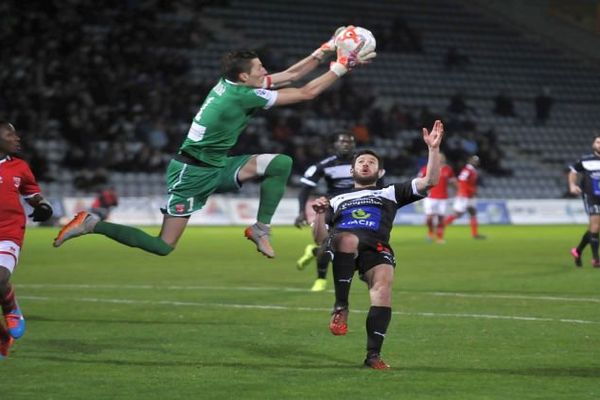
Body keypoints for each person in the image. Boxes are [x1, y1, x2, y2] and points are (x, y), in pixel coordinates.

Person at [53, 27, 377, 258]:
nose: (265, 71)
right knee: (163, 246)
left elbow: (291, 75)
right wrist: (342, 65)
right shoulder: (239, 97)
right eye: (260, 69)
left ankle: (260, 228)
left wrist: (325, 48)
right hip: (190, 173)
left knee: (280, 163)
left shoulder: (234, 83)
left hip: (217, 164)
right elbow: (306, 92)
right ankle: (92, 223)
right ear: (244, 78)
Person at [311, 120, 444, 369]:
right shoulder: (336, 199)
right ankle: (341, 306)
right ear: (351, 171)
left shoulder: (390, 192)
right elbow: (319, 238)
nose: (365, 164)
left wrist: (433, 150)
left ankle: (373, 355)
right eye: (360, 162)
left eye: (371, 162)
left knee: (383, 289)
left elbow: (430, 182)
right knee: (349, 239)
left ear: (380, 172)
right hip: (343, 245)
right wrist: (319, 214)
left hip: (376, 246)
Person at [0, 122, 54, 359]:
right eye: (10, 133)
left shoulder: (19, 167)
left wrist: (42, 205)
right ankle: (2, 339)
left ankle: (11, 308)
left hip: (8, 233)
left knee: (0, 276)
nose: (17, 137)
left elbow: (31, 192)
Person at [294, 132, 356, 292]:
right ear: (335, 144)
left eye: (349, 142)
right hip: (332, 206)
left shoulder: (362, 162)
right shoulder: (325, 165)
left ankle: (313, 251)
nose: (346, 144)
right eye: (342, 141)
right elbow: (305, 188)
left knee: (349, 249)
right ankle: (321, 279)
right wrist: (302, 212)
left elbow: (379, 183)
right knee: (326, 243)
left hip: (355, 207)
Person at [568, 135, 600, 268]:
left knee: (594, 228)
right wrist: (572, 185)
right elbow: (573, 171)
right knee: (596, 225)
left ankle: (578, 251)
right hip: (591, 196)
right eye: (598, 142)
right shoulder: (586, 160)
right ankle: (596, 259)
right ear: (593, 144)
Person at [444, 155, 485, 239]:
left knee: (472, 212)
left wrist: (473, 191)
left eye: (476, 161)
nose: (475, 162)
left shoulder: (472, 170)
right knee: (458, 214)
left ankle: (475, 234)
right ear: (469, 161)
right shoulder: (467, 170)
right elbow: (462, 180)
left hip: (470, 196)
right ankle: (440, 227)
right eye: (474, 160)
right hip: (464, 195)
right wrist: (462, 191)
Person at [418, 153, 456, 243]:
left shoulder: (448, 169)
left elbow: (453, 182)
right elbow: (419, 180)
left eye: (441, 157)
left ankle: (440, 237)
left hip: (443, 197)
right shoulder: (427, 168)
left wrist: (458, 191)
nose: (440, 159)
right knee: (429, 218)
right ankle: (431, 232)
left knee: (441, 218)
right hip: (430, 197)